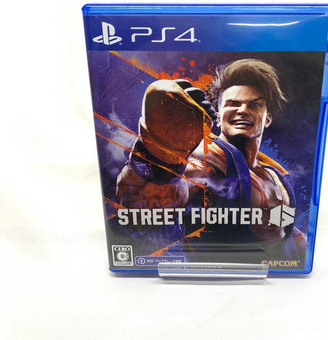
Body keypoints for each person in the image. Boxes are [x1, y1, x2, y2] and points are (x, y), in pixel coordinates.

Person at [116, 59, 306, 264]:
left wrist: (301, 252)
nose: (243, 110)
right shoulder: (205, 158)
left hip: (276, 273)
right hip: (222, 273)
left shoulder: (276, 174)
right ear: (218, 115)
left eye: (255, 105)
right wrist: (160, 154)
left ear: (267, 118)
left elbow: (282, 228)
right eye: (233, 104)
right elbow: (141, 212)